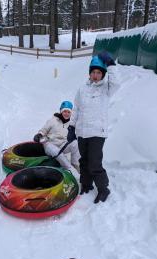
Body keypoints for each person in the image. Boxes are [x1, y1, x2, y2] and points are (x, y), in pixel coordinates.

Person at [67, 52, 119, 203]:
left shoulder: (106, 89)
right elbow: (76, 109)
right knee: (83, 160)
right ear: (89, 73)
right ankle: (86, 184)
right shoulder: (82, 89)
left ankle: (103, 189)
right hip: (82, 131)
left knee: (94, 162)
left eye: (98, 72)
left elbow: (116, 83)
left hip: (97, 132)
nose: (95, 75)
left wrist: (111, 65)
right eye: (93, 72)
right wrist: (71, 127)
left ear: (103, 74)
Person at [33, 101, 80, 176]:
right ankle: (70, 169)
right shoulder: (53, 120)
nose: (66, 114)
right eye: (65, 111)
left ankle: (76, 167)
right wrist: (39, 135)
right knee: (52, 147)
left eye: (69, 112)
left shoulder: (71, 124)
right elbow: (44, 130)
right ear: (61, 111)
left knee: (75, 144)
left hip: (62, 146)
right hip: (50, 146)